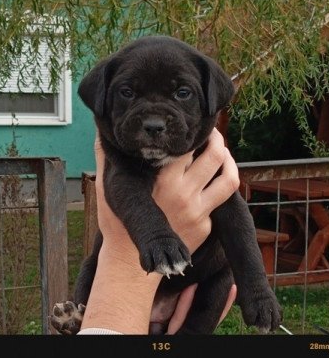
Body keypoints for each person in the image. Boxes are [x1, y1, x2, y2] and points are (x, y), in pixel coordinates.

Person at [77, 128, 239, 335]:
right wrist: (127, 259)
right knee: (91, 264)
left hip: (187, 292)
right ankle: (79, 312)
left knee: (222, 277)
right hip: (134, 303)